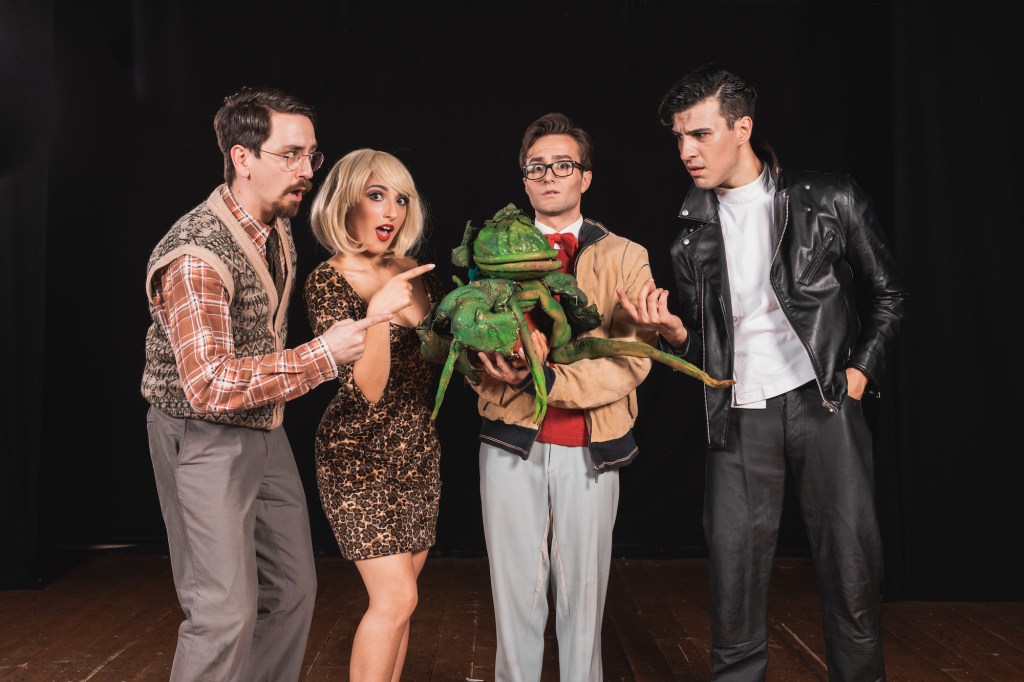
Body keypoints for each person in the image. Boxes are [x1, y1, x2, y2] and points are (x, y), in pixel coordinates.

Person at [618, 64, 910, 681]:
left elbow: (889, 293)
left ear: (742, 128)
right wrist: (673, 333)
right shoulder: (690, 238)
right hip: (740, 415)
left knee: (852, 572)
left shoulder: (829, 198)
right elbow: (707, 347)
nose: (686, 151)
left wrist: (860, 372)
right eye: (678, 137)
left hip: (825, 404)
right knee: (734, 582)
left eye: (700, 134)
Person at [141, 86, 392, 682]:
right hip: (201, 436)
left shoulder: (274, 227)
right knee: (222, 613)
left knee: (292, 591)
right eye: (290, 155)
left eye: (311, 155)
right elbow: (207, 385)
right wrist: (323, 355)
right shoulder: (195, 256)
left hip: (262, 426)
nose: (307, 171)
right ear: (242, 157)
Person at [472, 112, 657, 682]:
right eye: (537, 167)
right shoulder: (492, 249)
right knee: (515, 593)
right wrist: (486, 365)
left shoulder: (626, 254)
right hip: (511, 441)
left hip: (591, 444)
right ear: (524, 181)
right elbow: (469, 337)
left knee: (583, 593)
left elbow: (632, 358)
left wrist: (547, 382)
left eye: (562, 165)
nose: (549, 176)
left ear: (585, 177)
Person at [304, 148, 440, 682]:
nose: (391, 211)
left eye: (401, 199)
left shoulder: (414, 271)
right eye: (376, 195)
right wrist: (377, 312)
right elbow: (369, 389)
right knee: (395, 598)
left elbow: (446, 359)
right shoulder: (328, 280)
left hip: (418, 450)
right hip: (356, 454)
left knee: (404, 604)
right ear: (346, 202)